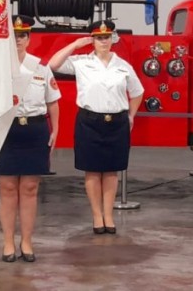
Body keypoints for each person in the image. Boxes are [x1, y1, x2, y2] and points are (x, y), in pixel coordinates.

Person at [48, 20, 143, 234]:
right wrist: (75, 45)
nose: (103, 41)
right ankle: (96, 216)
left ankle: (109, 215)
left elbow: (137, 91)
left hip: (116, 122)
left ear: (112, 39)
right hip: (89, 121)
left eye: (107, 37)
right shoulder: (81, 62)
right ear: (92, 40)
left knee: (110, 172)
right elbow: (53, 65)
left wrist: (131, 116)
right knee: (91, 171)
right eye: (99, 38)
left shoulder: (122, 65)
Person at [0, 16, 60, 263]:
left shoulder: (41, 68)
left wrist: (55, 131)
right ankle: (9, 242)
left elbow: (53, 102)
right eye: (14, 35)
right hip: (7, 131)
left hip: (34, 130)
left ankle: (27, 241)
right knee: (8, 188)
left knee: (30, 189)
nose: (18, 40)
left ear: (29, 38)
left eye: (22, 35)